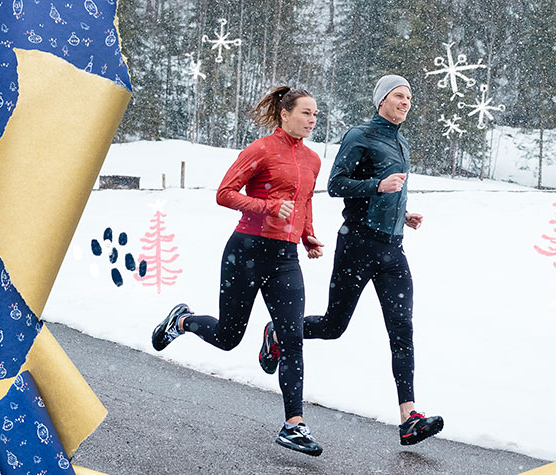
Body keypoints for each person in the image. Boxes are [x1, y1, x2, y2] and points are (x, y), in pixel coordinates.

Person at [258, 75, 444, 446]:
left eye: (409, 97)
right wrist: (377, 187)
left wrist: (402, 212)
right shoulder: (360, 136)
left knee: (402, 329)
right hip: (357, 245)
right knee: (332, 325)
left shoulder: (401, 141)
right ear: (381, 100)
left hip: (393, 248)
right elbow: (337, 185)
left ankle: (409, 417)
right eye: (398, 96)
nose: (405, 102)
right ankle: (278, 332)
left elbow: (391, 189)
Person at [151, 86, 326, 456]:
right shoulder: (261, 149)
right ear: (285, 113)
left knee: (292, 337)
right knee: (229, 336)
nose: (313, 121)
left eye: (315, 115)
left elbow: (304, 202)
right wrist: (267, 206)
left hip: (285, 259)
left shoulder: (312, 160)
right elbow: (225, 193)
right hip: (245, 251)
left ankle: (293, 424)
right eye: (306, 113)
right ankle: (181, 321)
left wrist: (307, 236)